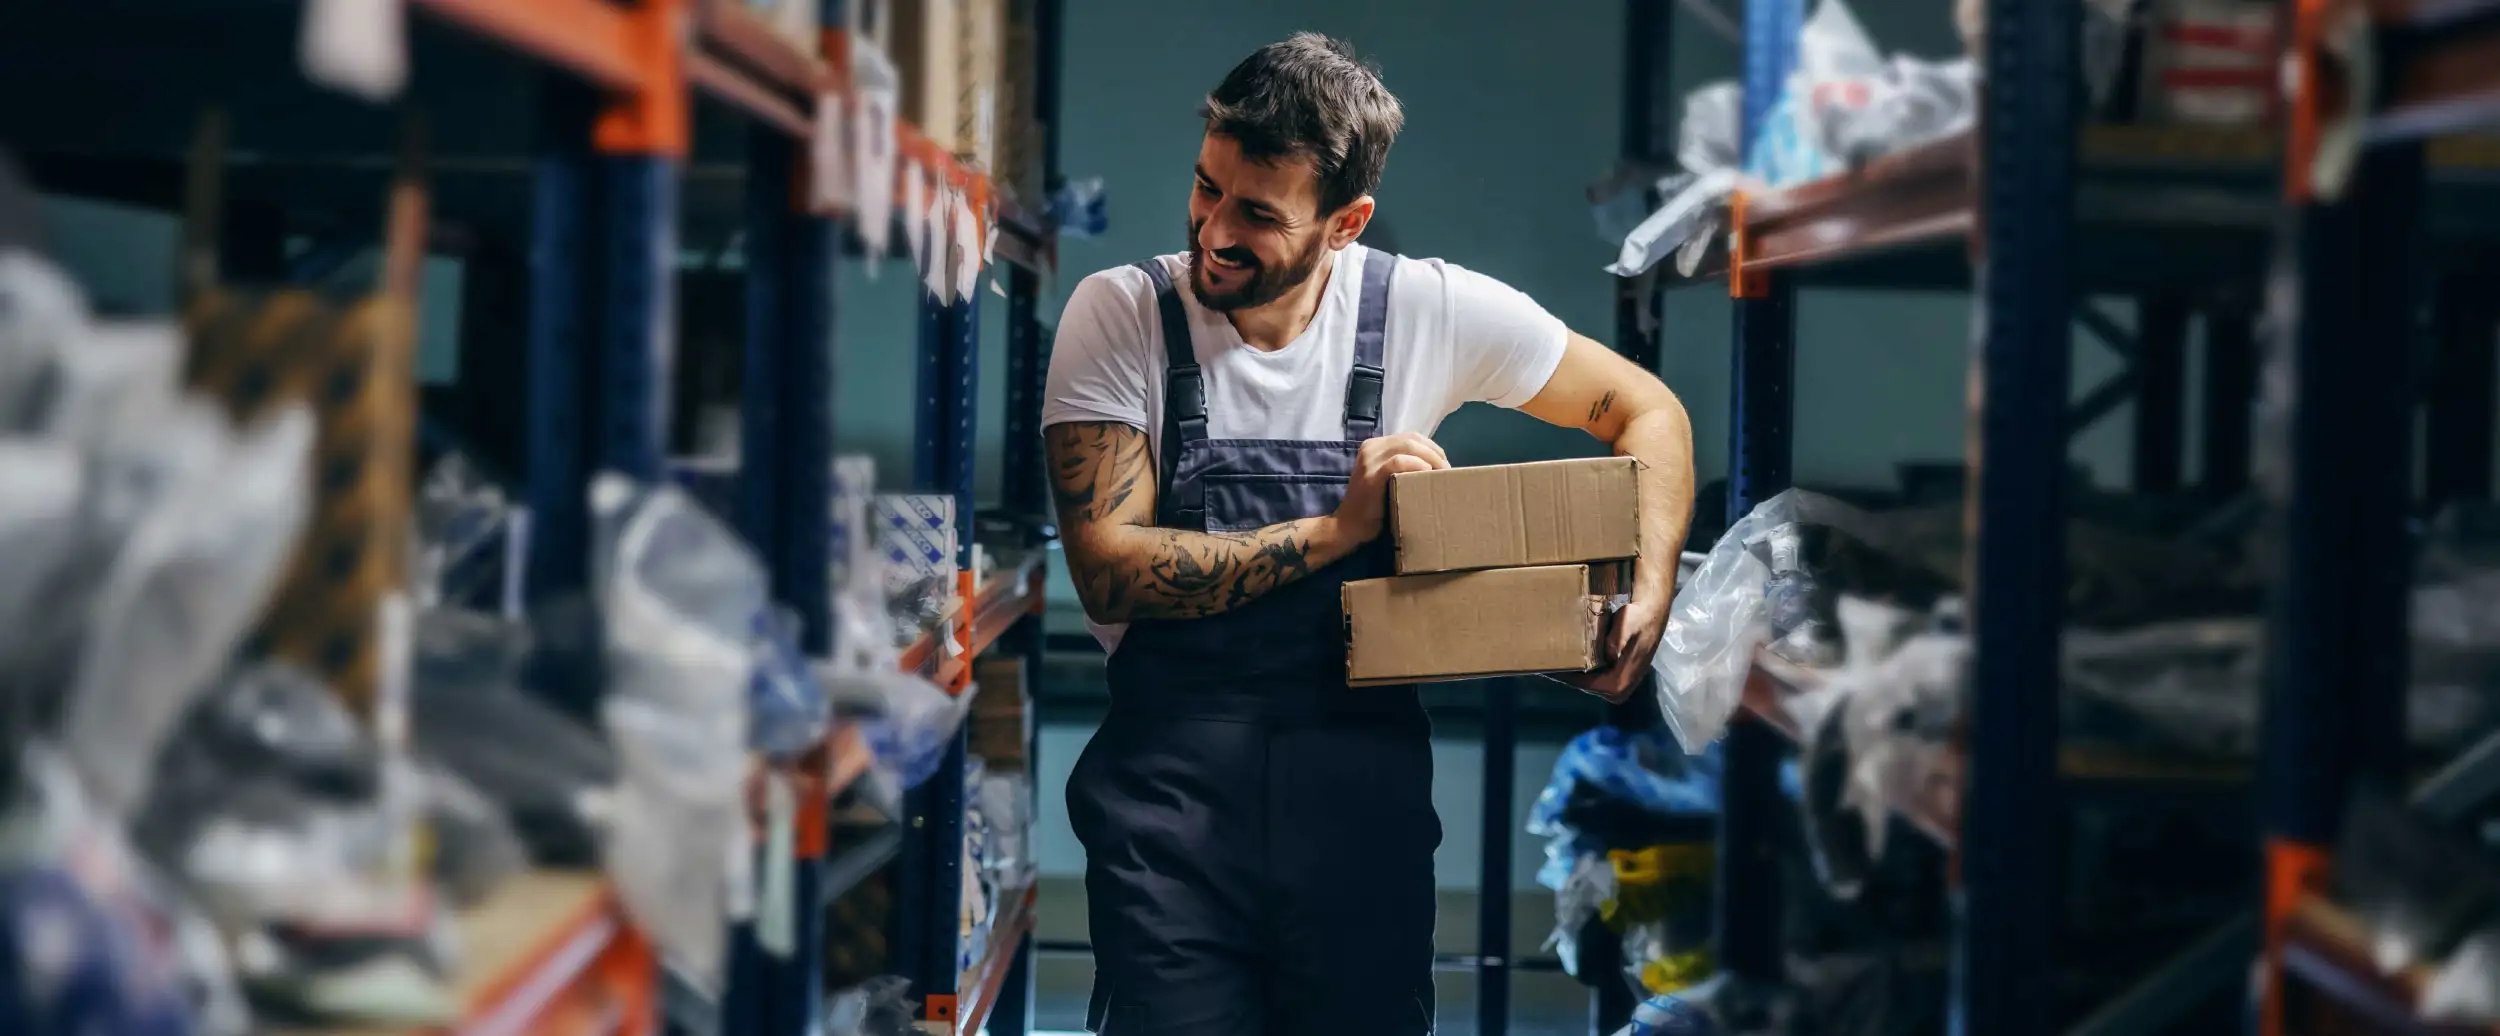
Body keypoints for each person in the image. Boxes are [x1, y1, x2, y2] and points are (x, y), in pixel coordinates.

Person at [1040, 32, 1697, 1036]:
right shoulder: (1123, 312)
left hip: (1360, 805)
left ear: (1345, 222)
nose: (1212, 231)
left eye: (1257, 213)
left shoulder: (1421, 308)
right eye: (1205, 188)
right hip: (1168, 810)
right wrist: (1341, 528)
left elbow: (1647, 411)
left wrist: (1644, 598)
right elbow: (1110, 571)